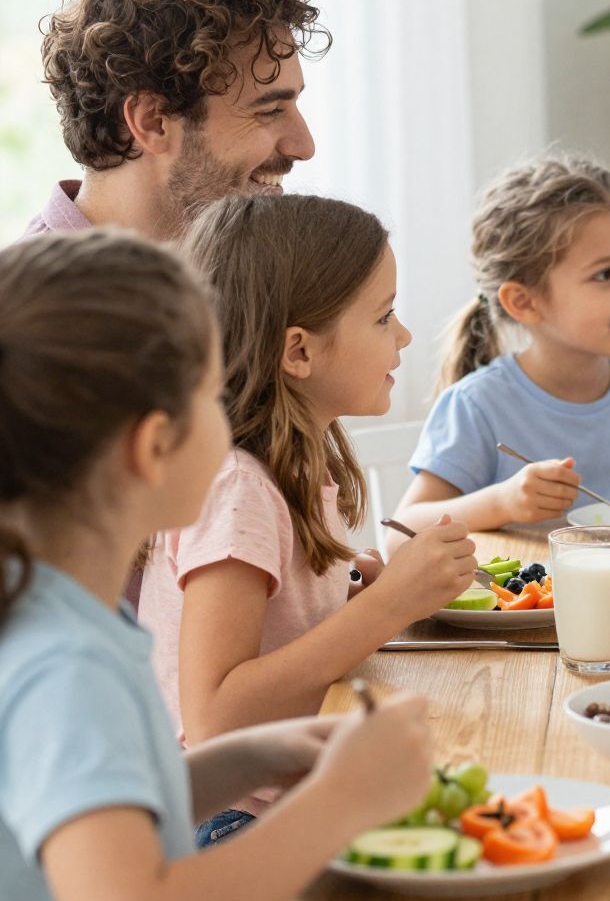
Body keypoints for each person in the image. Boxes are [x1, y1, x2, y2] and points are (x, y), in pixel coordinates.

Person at [0, 229, 433, 901]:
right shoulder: (63, 664)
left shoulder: (65, 616)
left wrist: (259, 756)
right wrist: (339, 802)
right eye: (210, 394)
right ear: (152, 447)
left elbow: (112, 813)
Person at [138, 195, 474, 841]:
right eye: (384, 317)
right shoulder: (238, 487)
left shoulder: (290, 467)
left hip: (280, 796)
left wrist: (345, 599)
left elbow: (276, 640)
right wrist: (387, 609)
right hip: (230, 823)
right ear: (299, 351)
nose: (404, 335)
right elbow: (213, 721)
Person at [392, 153, 610, 533]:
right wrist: (502, 502)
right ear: (524, 302)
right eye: (605, 274)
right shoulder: (478, 405)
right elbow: (401, 532)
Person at [24, 0, 321, 242]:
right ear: (152, 121)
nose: (305, 147)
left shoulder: (226, 260)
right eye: (270, 110)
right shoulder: (38, 278)